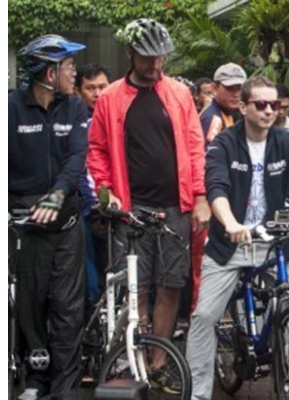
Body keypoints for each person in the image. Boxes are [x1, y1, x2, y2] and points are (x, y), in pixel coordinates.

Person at [185, 76, 289, 399]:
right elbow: (216, 187)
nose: (270, 110)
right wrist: (229, 223)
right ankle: (198, 394)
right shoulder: (224, 143)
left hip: (274, 245)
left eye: (274, 105)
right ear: (243, 107)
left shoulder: (285, 142)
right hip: (229, 247)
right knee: (203, 317)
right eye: (261, 104)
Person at [87, 18, 209, 393]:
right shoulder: (110, 98)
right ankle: (135, 356)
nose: (155, 66)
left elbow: (194, 146)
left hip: (176, 204)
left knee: (170, 285)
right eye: (147, 58)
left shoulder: (178, 94)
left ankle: (157, 362)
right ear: (130, 54)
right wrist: (107, 191)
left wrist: (201, 196)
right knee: (136, 288)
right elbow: (97, 150)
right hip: (131, 206)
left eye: (159, 58)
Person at [9, 34, 88, 399]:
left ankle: (65, 384)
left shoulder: (73, 109)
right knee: (31, 304)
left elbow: (76, 158)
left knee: (68, 307)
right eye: (69, 66)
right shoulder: (10, 109)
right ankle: (36, 379)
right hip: (26, 225)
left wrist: (57, 196)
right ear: (50, 72)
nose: (75, 72)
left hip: (67, 223)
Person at [189, 62, 247, 314]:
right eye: (229, 88)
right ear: (214, 88)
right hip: (209, 203)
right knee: (205, 264)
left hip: (217, 201)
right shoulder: (213, 118)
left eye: (239, 88)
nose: (235, 93)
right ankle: (200, 320)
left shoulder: (226, 115)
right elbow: (206, 163)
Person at [74, 63, 111, 308]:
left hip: (118, 207)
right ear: (79, 91)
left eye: (102, 87)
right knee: (91, 281)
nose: (97, 94)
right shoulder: (75, 121)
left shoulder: (116, 119)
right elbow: (77, 169)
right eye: (90, 88)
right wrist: (92, 207)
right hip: (86, 209)